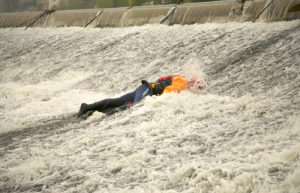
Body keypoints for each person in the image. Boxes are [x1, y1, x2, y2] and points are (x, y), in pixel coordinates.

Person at [77, 75, 204, 118]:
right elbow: (167, 93)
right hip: (147, 89)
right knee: (136, 106)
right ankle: (105, 116)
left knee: (119, 101)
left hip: (144, 88)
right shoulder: (182, 83)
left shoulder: (177, 78)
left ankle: (88, 107)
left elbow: (161, 80)